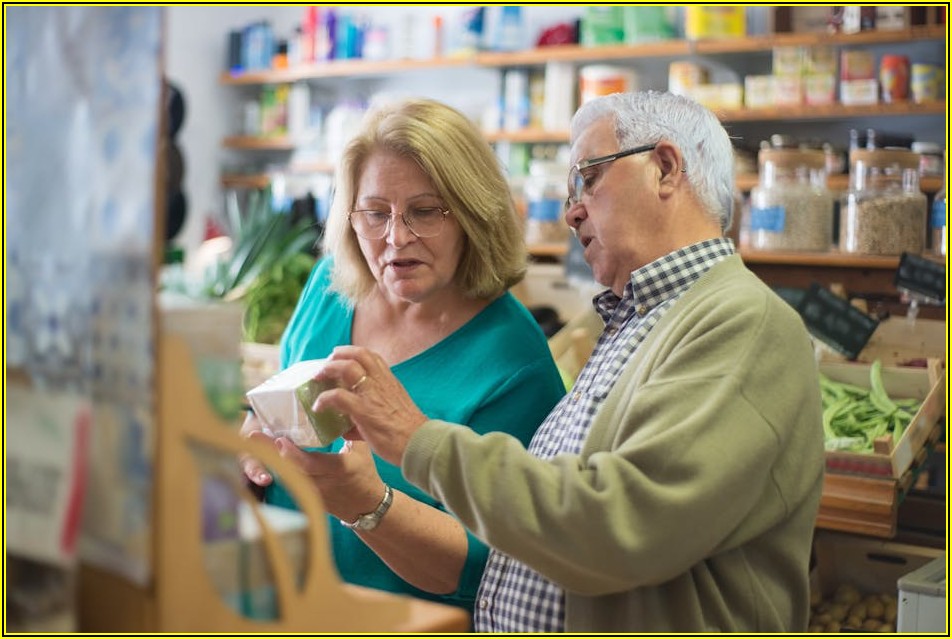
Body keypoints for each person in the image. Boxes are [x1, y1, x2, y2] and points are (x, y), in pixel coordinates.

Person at [310, 91, 826, 633]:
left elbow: (619, 527)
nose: (571, 209)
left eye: (588, 178)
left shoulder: (741, 323)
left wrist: (416, 439)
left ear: (665, 168)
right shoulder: (646, 319)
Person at [239, 97, 566, 614]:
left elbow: (494, 567)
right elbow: (273, 410)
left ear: (474, 215)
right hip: (277, 600)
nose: (396, 238)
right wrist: (252, 444)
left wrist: (368, 505)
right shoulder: (329, 288)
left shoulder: (514, 362)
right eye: (375, 213)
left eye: (425, 211)